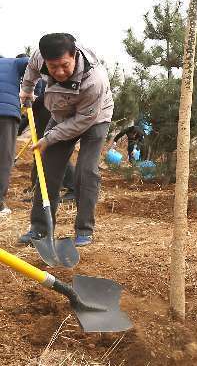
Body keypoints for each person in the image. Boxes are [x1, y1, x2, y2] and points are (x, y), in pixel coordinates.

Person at [17, 34, 114, 248]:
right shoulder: (39, 57)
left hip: (94, 118)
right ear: (45, 60)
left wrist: (49, 137)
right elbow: (32, 69)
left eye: (65, 65)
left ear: (74, 55)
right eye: (53, 67)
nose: (59, 72)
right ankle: (40, 229)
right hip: (61, 114)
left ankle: (84, 229)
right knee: (47, 171)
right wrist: (27, 89)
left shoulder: (94, 80)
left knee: (86, 171)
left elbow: (82, 121)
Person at [17, 68, 77, 202]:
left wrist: (20, 127)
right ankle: (36, 188)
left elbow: (34, 105)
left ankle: (73, 188)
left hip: (50, 116)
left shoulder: (40, 80)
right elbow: (31, 109)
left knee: (54, 155)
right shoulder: (34, 80)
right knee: (38, 154)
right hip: (41, 117)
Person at [0, 54, 29, 215]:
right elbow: (32, 63)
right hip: (6, 114)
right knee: (4, 159)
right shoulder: (13, 62)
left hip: (7, 112)